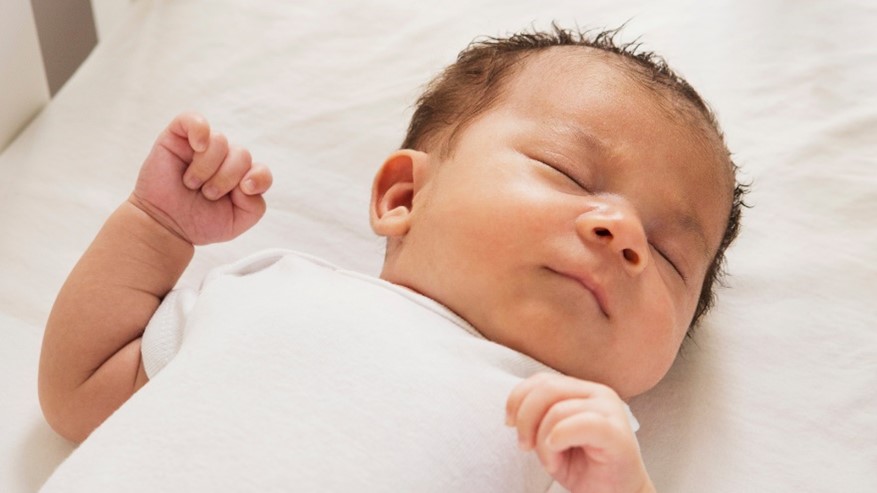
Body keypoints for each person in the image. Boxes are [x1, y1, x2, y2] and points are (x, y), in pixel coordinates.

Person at [38, 26, 745, 492]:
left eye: (666, 254)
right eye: (565, 170)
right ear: (405, 194)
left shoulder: (577, 447)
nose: (621, 231)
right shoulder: (274, 288)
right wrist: (156, 226)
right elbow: (79, 390)